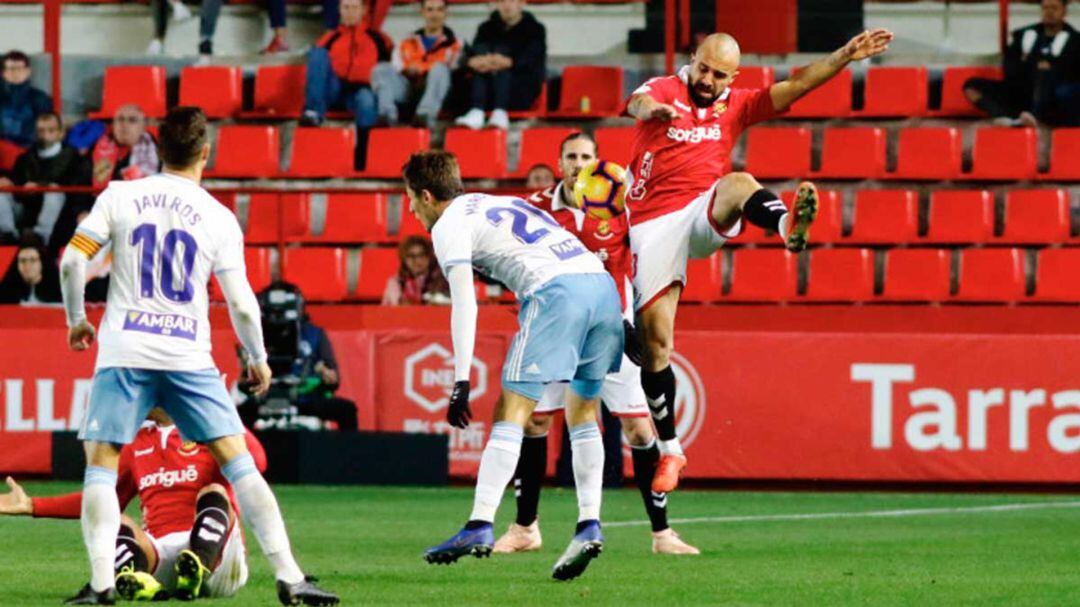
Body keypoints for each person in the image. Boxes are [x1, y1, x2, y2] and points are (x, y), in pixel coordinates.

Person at [57, 106, 337, 606]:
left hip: (124, 350)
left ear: (156, 150)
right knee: (238, 464)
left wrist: (76, 320)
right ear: (205, 152)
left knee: (101, 467)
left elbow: (73, 259)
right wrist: (257, 357)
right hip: (188, 354)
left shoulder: (120, 195)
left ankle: (100, 586)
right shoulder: (217, 216)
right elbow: (242, 304)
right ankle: (290, 578)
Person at [623, 30, 892, 493]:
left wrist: (844, 55)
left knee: (739, 180)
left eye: (719, 74)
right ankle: (671, 451)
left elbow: (796, 87)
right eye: (704, 68)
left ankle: (788, 226)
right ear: (693, 59)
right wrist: (653, 112)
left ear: (734, 76)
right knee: (657, 345)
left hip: (703, 209)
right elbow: (636, 103)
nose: (708, 80)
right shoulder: (664, 89)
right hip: (651, 222)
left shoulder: (738, 105)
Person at [408, 150, 622, 581]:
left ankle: (479, 524)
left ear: (427, 196)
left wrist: (461, 378)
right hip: (602, 289)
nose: (412, 209)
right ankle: (588, 525)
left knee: (512, 412)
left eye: (411, 199)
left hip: (555, 294)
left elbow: (463, 302)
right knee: (583, 411)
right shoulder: (495, 201)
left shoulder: (449, 224)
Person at [492, 132, 699, 556]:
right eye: (571, 156)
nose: (578, 163)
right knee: (534, 423)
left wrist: (640, 321)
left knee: (640, 430)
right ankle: (525, 528)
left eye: (586, 156)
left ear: (598, 162)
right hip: (555, 329)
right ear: (559, 161)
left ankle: (662, 534)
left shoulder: (623, 206)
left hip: (613, 330)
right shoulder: (535, 209)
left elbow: (646, 260)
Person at [0, 408, 266, 601]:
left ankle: (198, 564)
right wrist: (32, 505)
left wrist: (221, 412)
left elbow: (258, 460)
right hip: (161, 555)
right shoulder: (135, 444)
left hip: (220, 561)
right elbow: (99, 502)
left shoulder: (207, 429)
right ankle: (140, 579)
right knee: (116, 520)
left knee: (214, 491)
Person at [238, 281, 360, 431]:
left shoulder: (315, 335)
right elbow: (245, 385)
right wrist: (249, 377)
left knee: (347, 410)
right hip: (269, 397)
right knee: (237, 415)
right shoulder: (258, 337)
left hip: (306, 397)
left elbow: (334, 381)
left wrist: (326, 374)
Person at [964, 0, 1080, 127]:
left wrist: (1050, 68)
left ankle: (1036, 119)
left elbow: (1073, 73)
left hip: (1054, 97)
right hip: (1023, 90)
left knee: (1049, 79)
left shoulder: (1075, 40)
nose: (1049, 12)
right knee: (971, 86)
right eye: (1045, 8)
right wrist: (1033, 65)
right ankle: (1005, 117)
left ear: (1064, 11)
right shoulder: (1023, 35)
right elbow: (1009, 67)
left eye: (1054, 8)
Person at [0, 112, 92, 246]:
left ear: (61, 133)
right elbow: (17, 181)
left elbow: (76, 188)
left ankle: (39, 236)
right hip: (26, 209)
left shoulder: (76, 159)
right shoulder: (24, 158)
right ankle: (7, 234)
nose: (45, 135)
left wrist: (41, 186)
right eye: (41, 131)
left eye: (51, 130)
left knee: (54, 193)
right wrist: (10, 183)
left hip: (61, 214)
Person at [300, 0, 393, 130]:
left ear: (363, 10)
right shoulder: (330, 38)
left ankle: (364, 145)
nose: (350, 12)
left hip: (362, 89)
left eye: (354, 8)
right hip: (334, 89)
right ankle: (313, 112)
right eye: (346, 7)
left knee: (366, 100)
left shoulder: (379, 39)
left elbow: (386, 72)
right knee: (317, 53)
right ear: (339, 10)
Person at [454, 0, 546, 130]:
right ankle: (477, 110)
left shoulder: (535, 29)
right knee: (483, 50)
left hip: (519, 91)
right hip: (487, 89)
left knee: (501, 54)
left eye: (512, 1)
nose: (507, 5)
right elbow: (473, 55)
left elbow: (532, 60)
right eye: (502, 1)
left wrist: (508, 62)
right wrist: (475, 62)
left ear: (522, 3)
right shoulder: (485, 28)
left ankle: (497, 110)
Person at [371, 0, 461, 127]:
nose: (434, 14)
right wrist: (407, 72)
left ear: (446, 13)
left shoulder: (456, 44)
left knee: (440, 69)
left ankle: (424, 117)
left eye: (439, 10)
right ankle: (386, 116)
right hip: (409, 89)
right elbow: (395, 68)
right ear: (422, 12)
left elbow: (456, 72)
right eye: (430, 10)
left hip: (438, 93)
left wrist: (424, 71)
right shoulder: (406, 42)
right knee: (381, 69)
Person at [91, 104, 160, 189]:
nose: (124, 125)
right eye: (120, 119)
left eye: (132, 120)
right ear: (113, 125)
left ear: (143, 127)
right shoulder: (96, 149)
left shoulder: (157, 155)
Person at [0, 50, 53, 149]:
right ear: (3, 73)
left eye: (20, 68)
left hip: (30, 152)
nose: (15, 73)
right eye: (11, 68)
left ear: (28, 71)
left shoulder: (39, 98)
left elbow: (46, 129)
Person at [381, 235, 450, 305]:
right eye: (411, 256)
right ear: (404, 259)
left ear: (429, 257)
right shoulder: (395, 283)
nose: (418, 260)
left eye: (422, 254)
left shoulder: (442, 280)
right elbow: (387, 312)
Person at [0, 237, 61, 304]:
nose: (27, 265)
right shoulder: (8, 290)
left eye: (33, 260)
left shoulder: (58, 290)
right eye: (23, 261)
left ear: (41, 263)